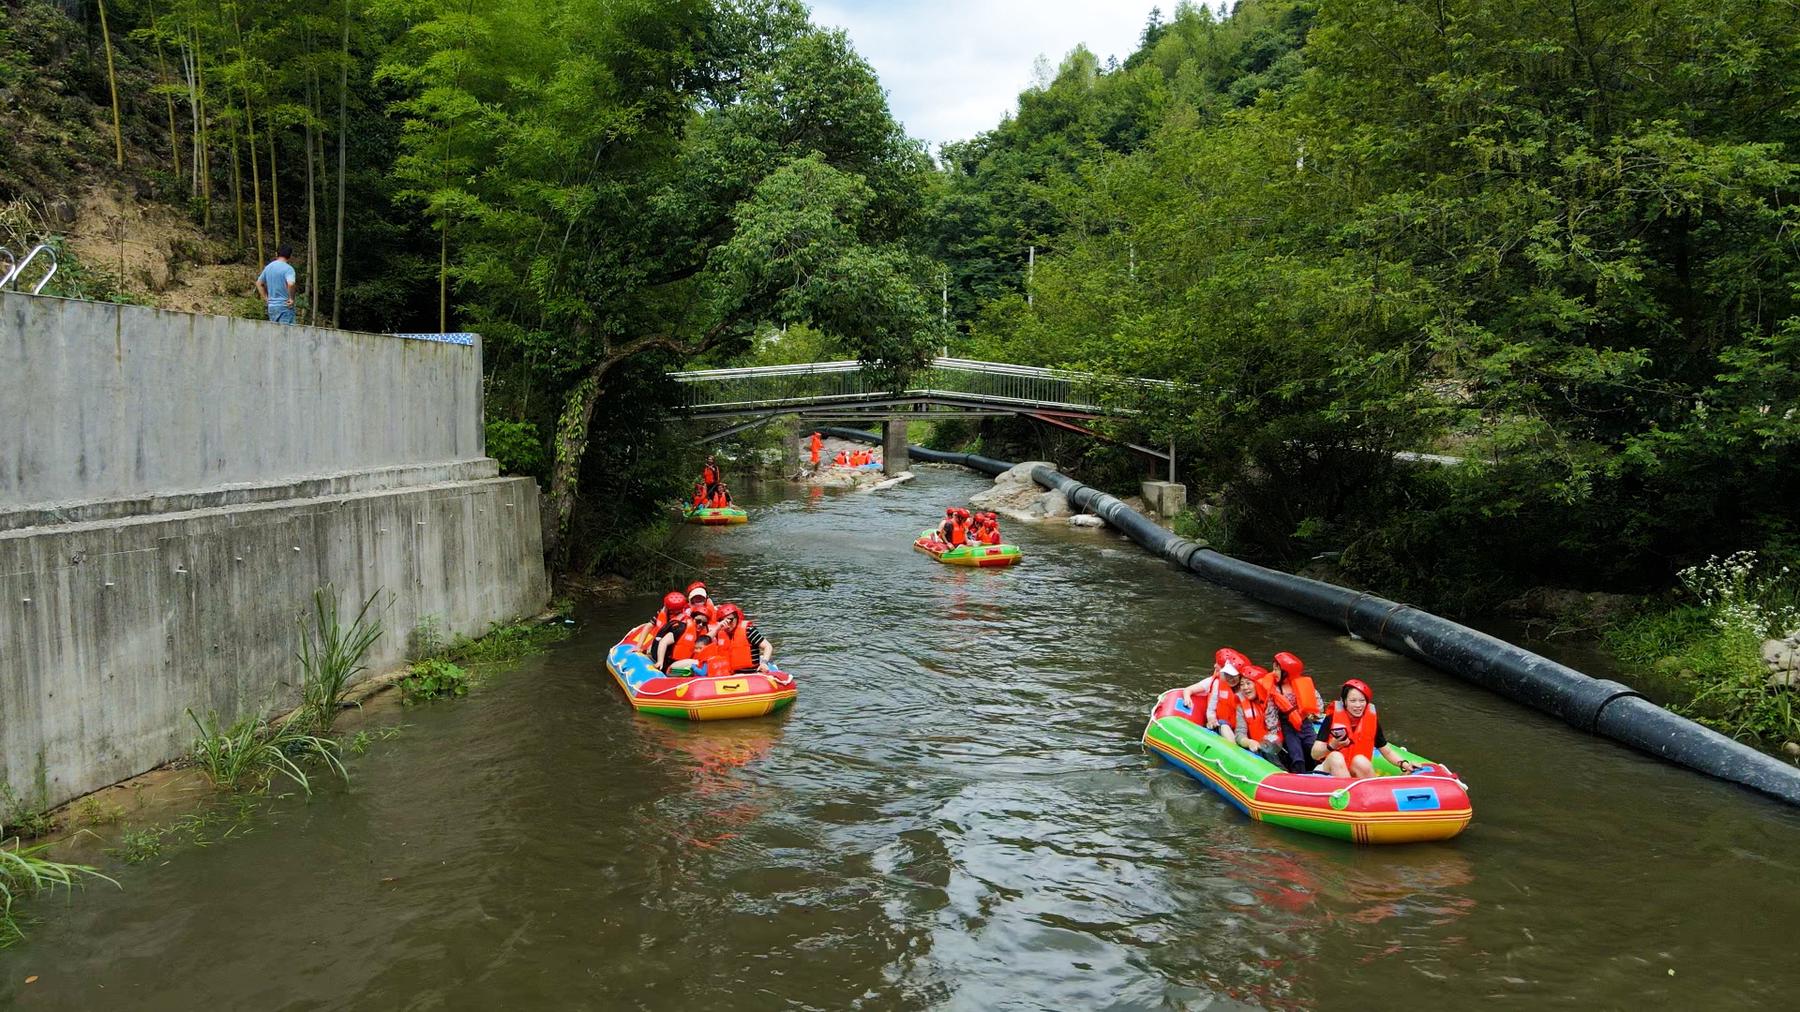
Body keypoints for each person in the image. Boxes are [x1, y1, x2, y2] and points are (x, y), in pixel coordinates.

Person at [1311, 679, 1418, 778]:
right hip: (1328, 773)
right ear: (1344, 702)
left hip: (1354, 772)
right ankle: (1348, 794)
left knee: (1360, 760)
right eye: (1353, 701)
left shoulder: (1371, 721)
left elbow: (1387, 751)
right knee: (1336, 757)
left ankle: (1373, 793)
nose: (1358, 705)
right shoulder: (1331, 719)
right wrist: (1332, 746)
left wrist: (1404, 764)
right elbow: (1315, 754)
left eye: (1362, 701)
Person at [1266, 651, 1322, 772]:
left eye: (1276, 670)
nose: (1273, 673)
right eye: (1273, 669)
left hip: (1305, 724)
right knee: (1296, 755)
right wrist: (1273, 731)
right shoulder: (1275, 689)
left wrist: (1315, 714)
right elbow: (1271, 711)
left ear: (1287, 672)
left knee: (1314, 748)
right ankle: (1299, 774)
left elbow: (1317, 702)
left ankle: (1319, 772)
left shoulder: (1302, 684)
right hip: (1288, 726)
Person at [712, 603, 774, 672]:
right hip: (729, 675)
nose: (727, 624)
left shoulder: (749, 630)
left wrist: (764, 663)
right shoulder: (719, 633)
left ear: (737, 618)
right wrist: (717, 628)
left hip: (751, 674)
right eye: (723, 621)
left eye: (730, 620)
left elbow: (768, 646)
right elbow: (703, 642)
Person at [254, 245, 298, 324]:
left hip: (272, 307)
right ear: (290, 256)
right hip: (285, 306)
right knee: (287, 335)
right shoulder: (288, 269)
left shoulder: (268, 267)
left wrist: (267, 299)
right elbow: (291, 284)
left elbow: (259, 283)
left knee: (275, 333)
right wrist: (291, 299)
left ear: (276, 254)